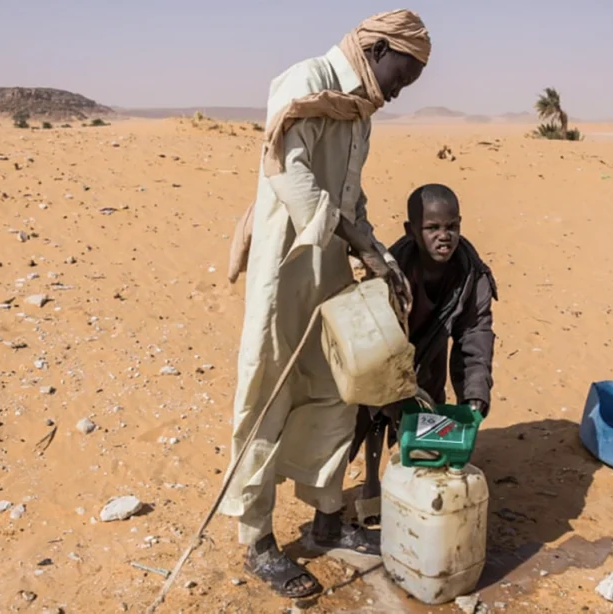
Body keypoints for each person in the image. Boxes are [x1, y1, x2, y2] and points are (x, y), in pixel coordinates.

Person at [220, 10, 431, 599]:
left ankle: (325, 519)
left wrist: (376, 253)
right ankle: (258, 538)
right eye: (400, 75)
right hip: (285, 268)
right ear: (378, 48)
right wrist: (354, 236)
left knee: (337, 389)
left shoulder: (359, 112)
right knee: (267, 392)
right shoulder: (305, 81)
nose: (396, 91)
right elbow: (293, 176)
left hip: (330, 268)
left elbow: (348, 195)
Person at [349, 183, 497, 526]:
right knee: (374, 414)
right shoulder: (390, 272)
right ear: (412, 230)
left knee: (426, 424)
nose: (444, 237)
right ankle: (371, 484)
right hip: (387, 354)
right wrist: (391, 388)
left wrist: (475, 392)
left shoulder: (471, 275)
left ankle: (414, 492)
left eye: (452, 227)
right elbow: (372, 331)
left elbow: (475, 333)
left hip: (429, 359)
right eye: (432, 228)